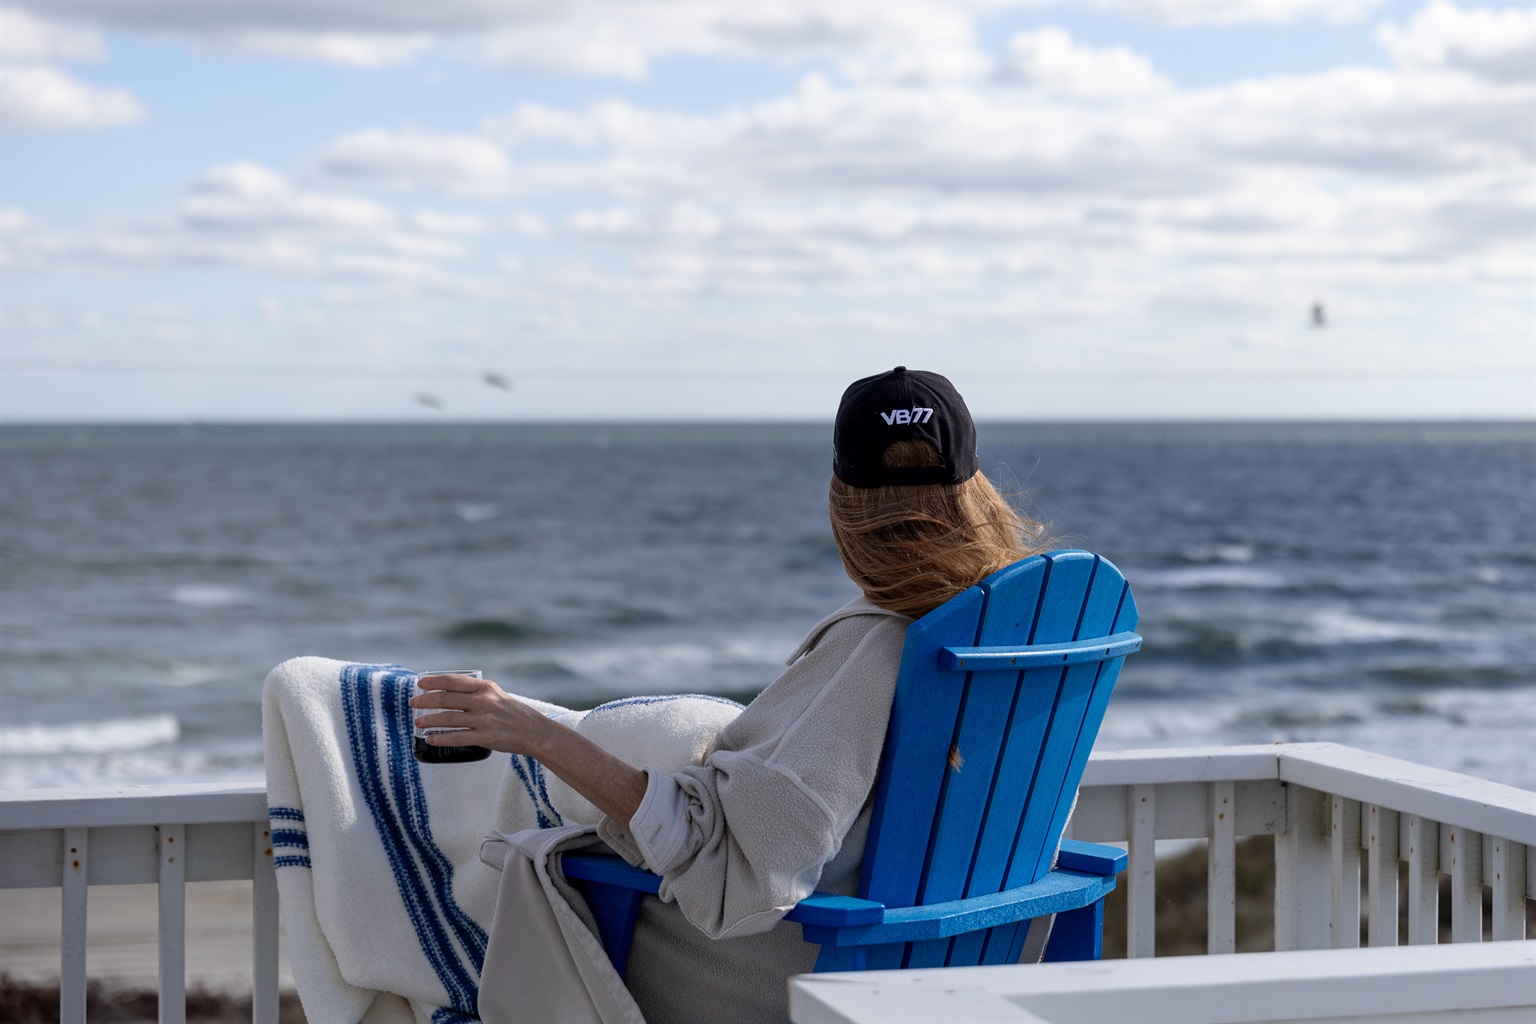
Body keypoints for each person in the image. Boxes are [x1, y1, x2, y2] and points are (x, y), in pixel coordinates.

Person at [410, 366, 1048, 1022]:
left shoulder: (878, 644)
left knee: (524, 866)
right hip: (969, 955)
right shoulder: (1023, 630)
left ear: (842, 500)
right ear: (976, 492)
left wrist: (535, 734)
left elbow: (739, 876)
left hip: (812, 966)